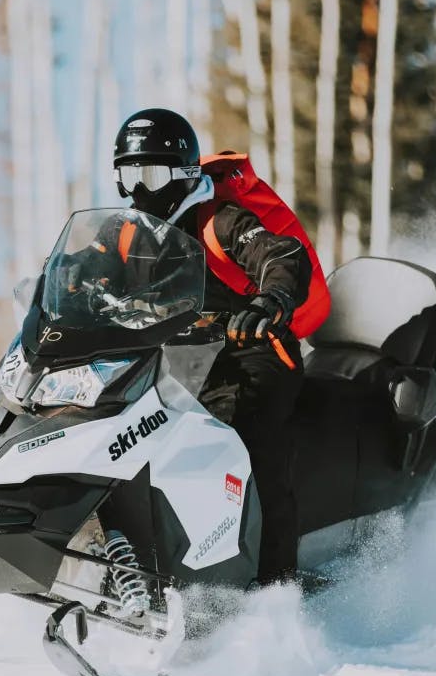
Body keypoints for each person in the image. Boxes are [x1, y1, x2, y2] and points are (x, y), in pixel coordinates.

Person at [107, 107, 329, 585]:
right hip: (179, 363)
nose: (141, 190)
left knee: (246, 448)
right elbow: (90, 267)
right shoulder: (130, 233)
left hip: (254, 353)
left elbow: (279, 254)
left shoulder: (221, 220)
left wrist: (272, 297)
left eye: (151, 174)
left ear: (184, 175)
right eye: (129, 175)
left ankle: (273, 585)